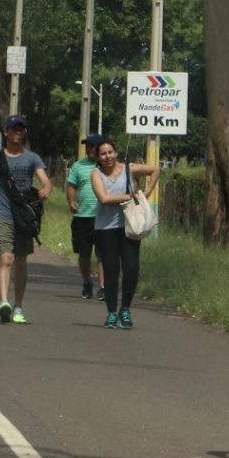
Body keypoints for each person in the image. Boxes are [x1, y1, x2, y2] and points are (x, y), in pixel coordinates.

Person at [0, 115, 52, 324]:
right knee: (6, 258)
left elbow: (45, 180)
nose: (17, 133)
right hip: (4, 216)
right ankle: (4, 302)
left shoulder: (32, 158)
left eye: (21, 129)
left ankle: (18, 306)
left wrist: (46, 189)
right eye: (13, 129)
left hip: (24, 218)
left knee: (21, 261)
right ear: (6, 132)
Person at [90, 139, 158, 329]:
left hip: (129, 226)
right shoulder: (96, 174)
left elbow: (154, 170)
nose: (107, 156)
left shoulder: (128, 168)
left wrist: (148, 191)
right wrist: (132, 196)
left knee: (131, 268)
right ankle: (111, 312)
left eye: (110, 152)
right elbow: (104, 199)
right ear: (98, 157)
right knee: (111, 270)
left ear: (116, 152)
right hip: (106, 228)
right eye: (103, 154)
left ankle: (125, 309)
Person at [66, 134, 106, 300]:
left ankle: (103, 287)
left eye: (92, 146)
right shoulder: (78, 166)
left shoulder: (106, 165)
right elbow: (71, 186)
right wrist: (71, 201)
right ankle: (86, 281)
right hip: (83, 217)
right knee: (84, 254)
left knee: (102, 254)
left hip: (103, 216)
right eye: (87, 146)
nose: (89, 149)